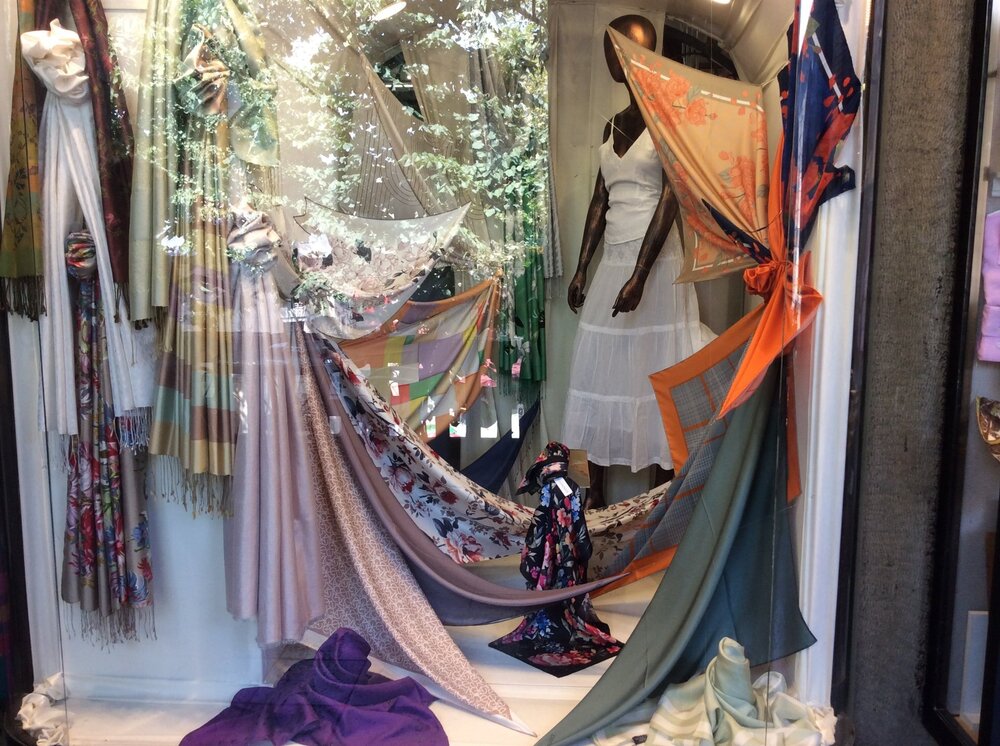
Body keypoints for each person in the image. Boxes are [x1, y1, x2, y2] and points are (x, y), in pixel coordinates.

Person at [562, 14, 709, 509]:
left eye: (617, 47)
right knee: (601, 371)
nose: (610, 57)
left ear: (638, 52)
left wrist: (642, 275)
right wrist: (583, 267)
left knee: (656, 370)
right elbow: (599, 201)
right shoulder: (611, 126)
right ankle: (596, 496)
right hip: (615, 260)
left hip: (657, 264)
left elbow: (672, 198)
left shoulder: (666, 119)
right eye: (608, 48)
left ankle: (659, 498)